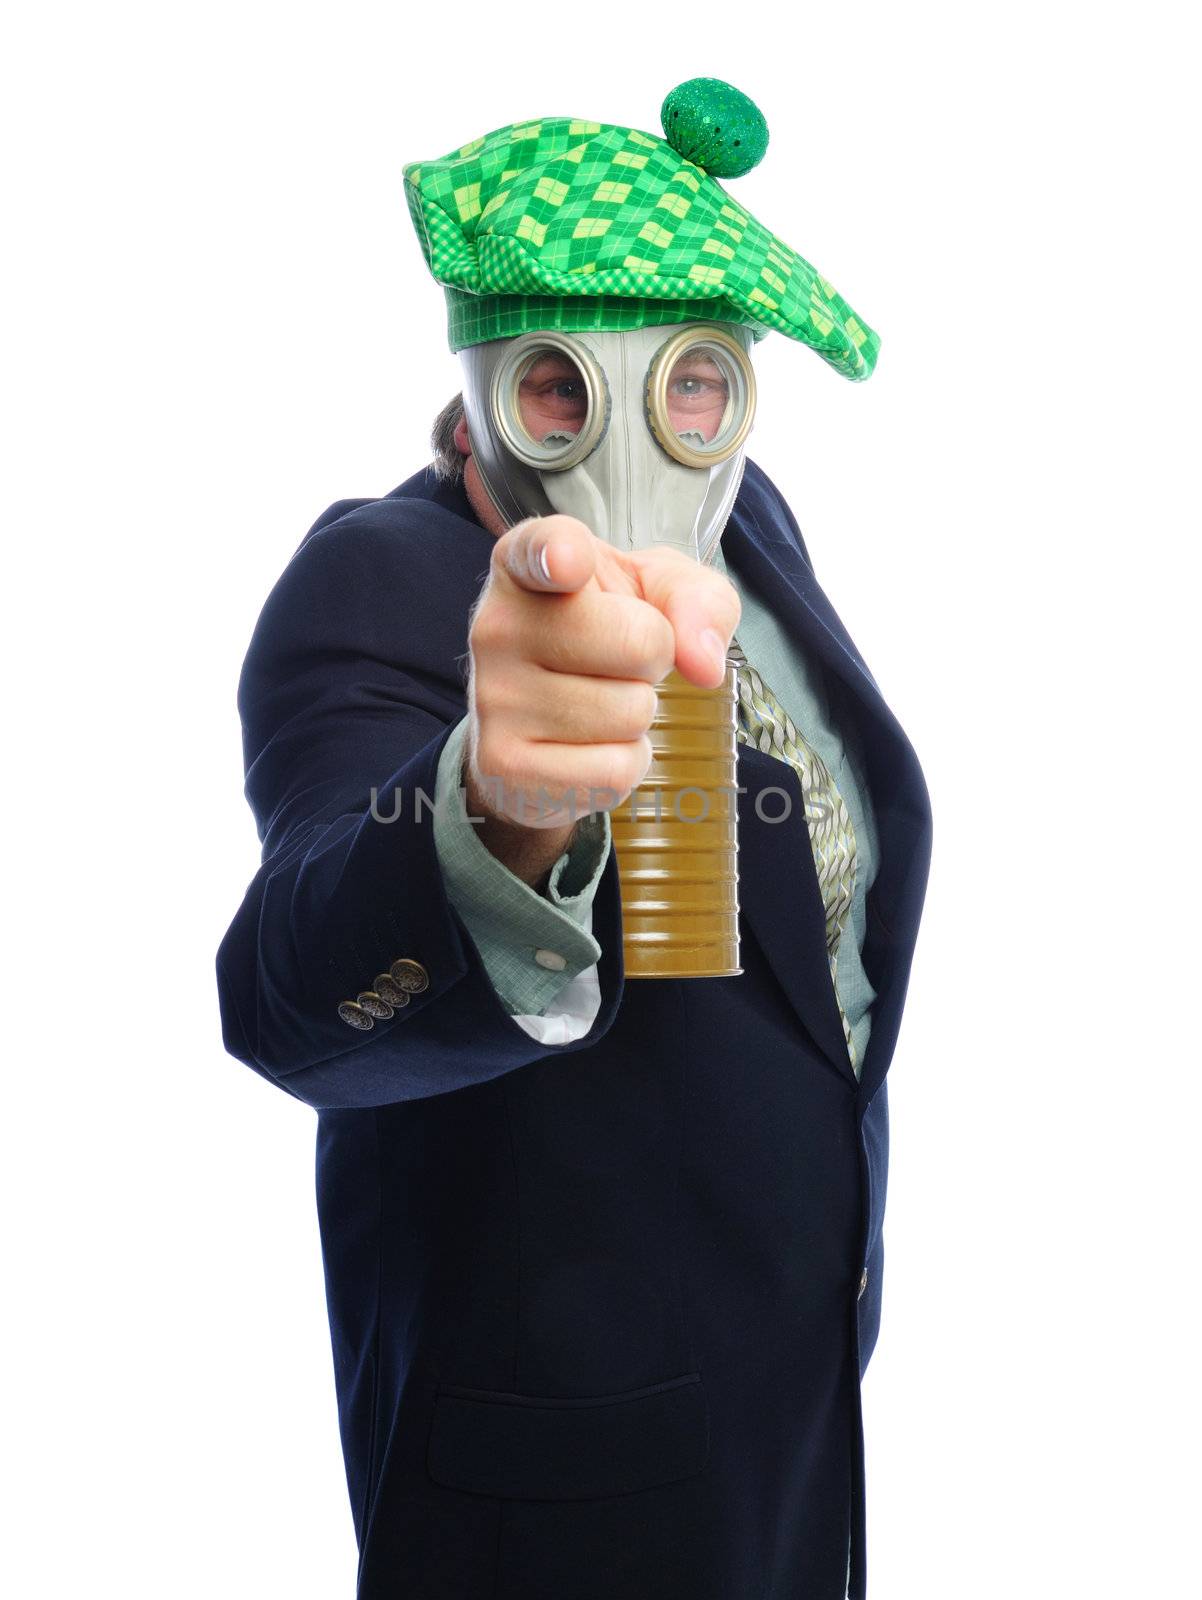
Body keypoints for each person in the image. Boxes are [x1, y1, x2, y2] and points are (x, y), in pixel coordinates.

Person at [216, 79, 933, 1600]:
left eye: (691, 385)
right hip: (553, 1485)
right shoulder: (376, 584)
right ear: (482, 383)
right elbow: (294, 1000)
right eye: (563, 389)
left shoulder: (755, 530)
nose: (637, 444)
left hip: (788, 1403)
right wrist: (498, 806)